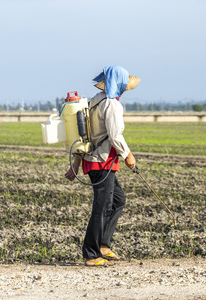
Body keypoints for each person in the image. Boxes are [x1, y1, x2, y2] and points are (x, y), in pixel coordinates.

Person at [65, 66, 140, 266]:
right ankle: (91, 253)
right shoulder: (112, 105)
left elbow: (85, 134)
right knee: (102, 206)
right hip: (102, 161)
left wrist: (76, 163)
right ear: (121, 84)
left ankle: (104, 245)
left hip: (94, 160)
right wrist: (128, 155)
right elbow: (115, 135)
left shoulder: (94, 100)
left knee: (117, 200)